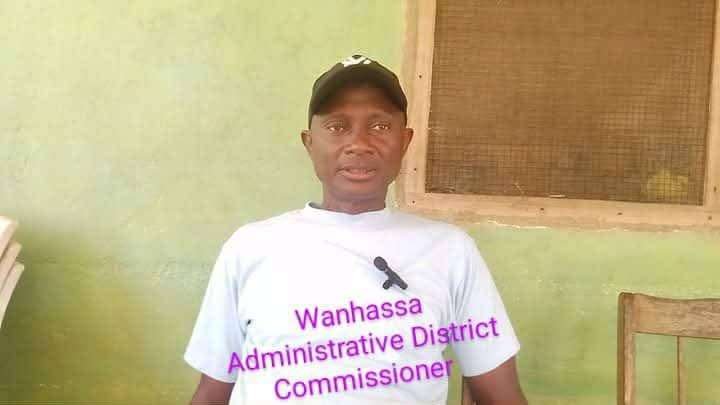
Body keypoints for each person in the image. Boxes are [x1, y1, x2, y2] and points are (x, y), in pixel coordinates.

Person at [185, 54, 527, 404]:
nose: (359, 144)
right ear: (309, 142)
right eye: (337, 126)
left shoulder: (451, 252)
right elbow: (212, 393)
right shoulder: (250, 248)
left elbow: (499, 395)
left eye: (380, 126)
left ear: (405, 141)